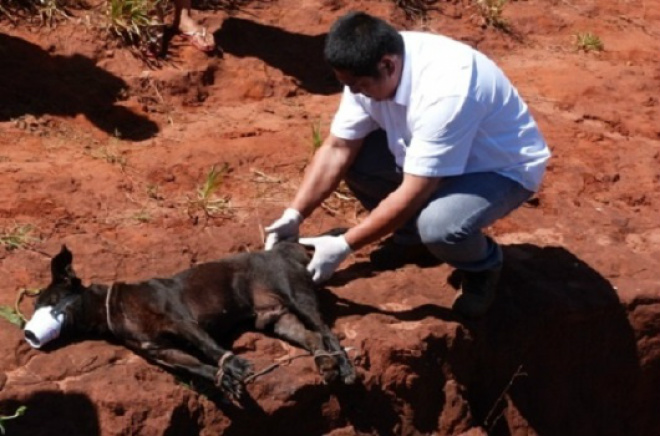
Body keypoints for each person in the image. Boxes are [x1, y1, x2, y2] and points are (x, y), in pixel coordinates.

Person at [264, 11, 551, 318]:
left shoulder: (447, 90)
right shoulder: (368, 65)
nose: (354, 93)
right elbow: (337, 148)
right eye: (347, 85)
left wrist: (344, 246)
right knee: (357, 159)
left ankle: (483, 266)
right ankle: (411, 240)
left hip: (497, 168)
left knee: (441, 226)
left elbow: (415, 189)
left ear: (387, 65)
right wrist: (295, 214)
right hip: (429, 152)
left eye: (359, 85)